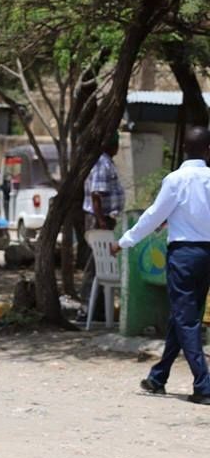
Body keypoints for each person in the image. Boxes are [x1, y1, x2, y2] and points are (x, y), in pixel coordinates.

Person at [111, 126, 210, 403]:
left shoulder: (176, 180)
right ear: (208, 150)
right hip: (206, 255)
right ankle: (158, 377)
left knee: (186, 319)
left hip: (183, 255)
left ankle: (204, 384)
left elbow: (154, 215)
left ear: (183, 150)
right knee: (181, 317)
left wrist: (124, 241)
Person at [79, 132, 125, 318]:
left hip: (104, 218)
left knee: (102, 264)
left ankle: (98, 310)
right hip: (99, 219)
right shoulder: (102, 163)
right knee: (94, 264)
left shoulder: (106, 162)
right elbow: (96, 195)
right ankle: (86, 308)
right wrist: (102, 222)